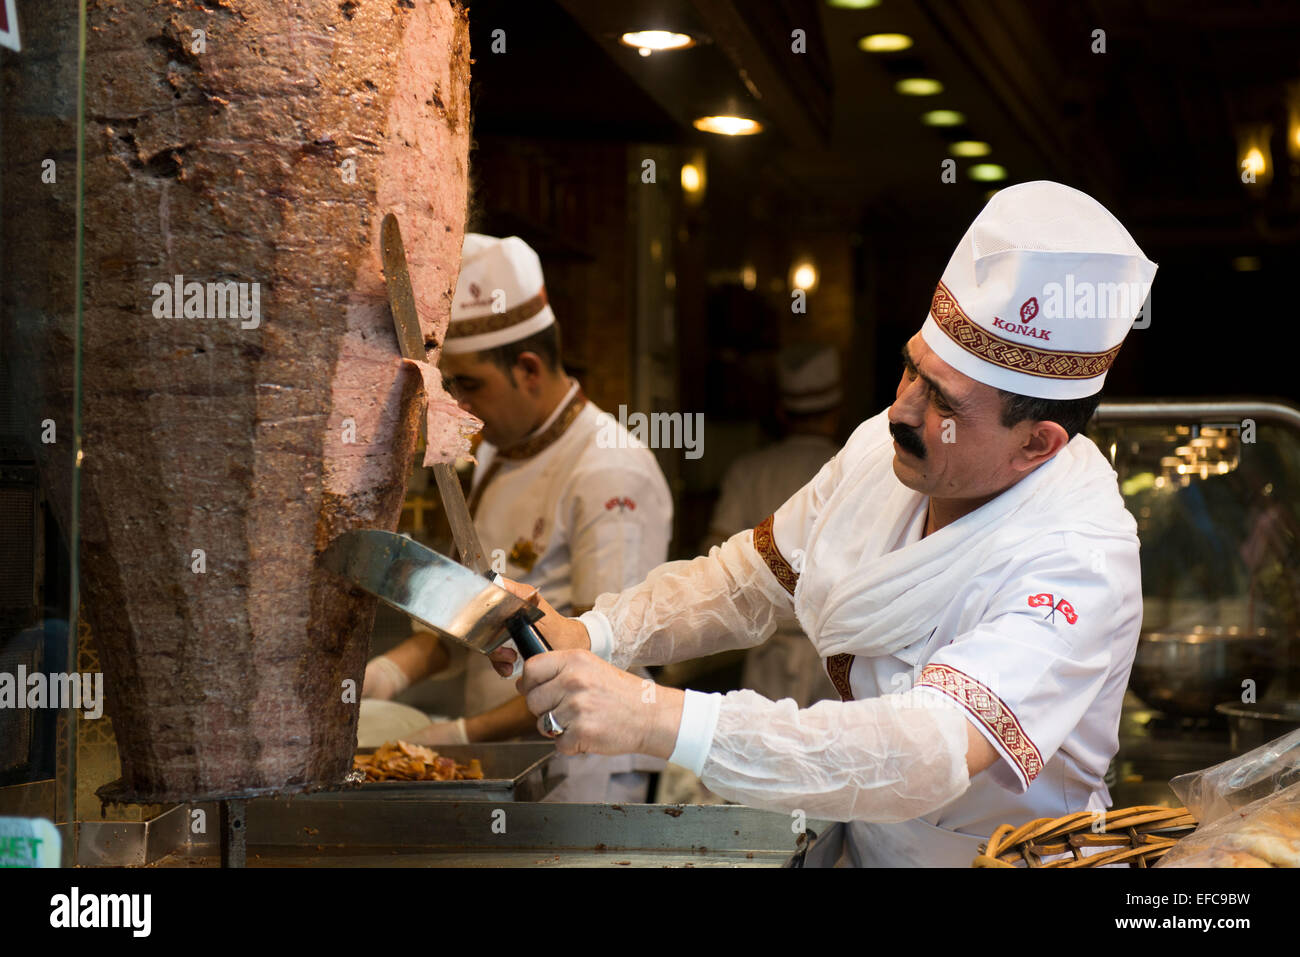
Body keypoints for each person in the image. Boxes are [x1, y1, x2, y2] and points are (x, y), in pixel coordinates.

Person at [489, 181, 1159, 865]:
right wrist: (598, 631)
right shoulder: (882, 450)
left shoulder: (1080, 559)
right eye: (909, 372)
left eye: (943, 402)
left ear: (1037, 444)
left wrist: (657, 715)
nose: (902, 409)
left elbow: (925, 751)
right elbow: (748, 581)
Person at [362, 233, 673, 804]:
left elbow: (600, 658)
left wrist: (457, 738)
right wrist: (380, 680)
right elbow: (463, 613)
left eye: (471, 385)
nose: (460, 405)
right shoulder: (498, 459)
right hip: (507, 764)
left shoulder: (609, 469)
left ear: (528, 368)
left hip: (582, 773)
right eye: (452, 385)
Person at [703, 343, 841, 708]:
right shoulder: (853, 471)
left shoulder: (749, 471)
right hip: (835, 656)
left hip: (768, 650)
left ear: (781, 412)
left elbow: (714, 560)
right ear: (837, 411)